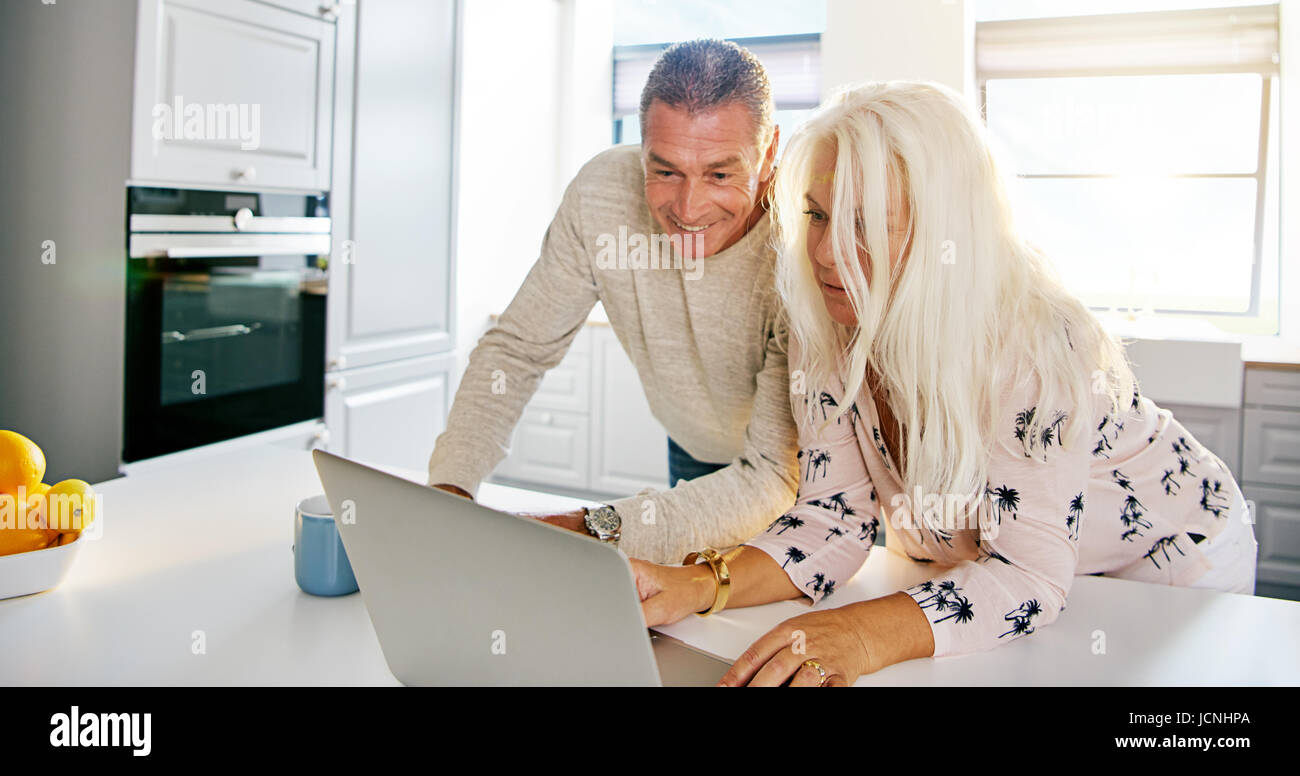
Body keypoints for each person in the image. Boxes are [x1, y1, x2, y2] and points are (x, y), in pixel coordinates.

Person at [631, 80, 1259, 686]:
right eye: (816, 216)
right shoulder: (830, 314)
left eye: (867, 223)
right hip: (987, 573)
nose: (825, 254)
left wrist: (856, 635)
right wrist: (700, 582)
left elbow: (1027, 576)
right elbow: (830, 519)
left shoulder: (1036, 339)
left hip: (1164, 564)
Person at [426, 39, 799, 562]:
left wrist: (585, 529)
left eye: (720, 173)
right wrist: (450, 492)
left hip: (794, 474)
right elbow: (517, 351)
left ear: (770, 149)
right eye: (665, 170)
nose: (689, 209)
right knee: (686, 623)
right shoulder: (603, 194)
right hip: (693, 450)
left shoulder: (803, 242)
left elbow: (773, 476)